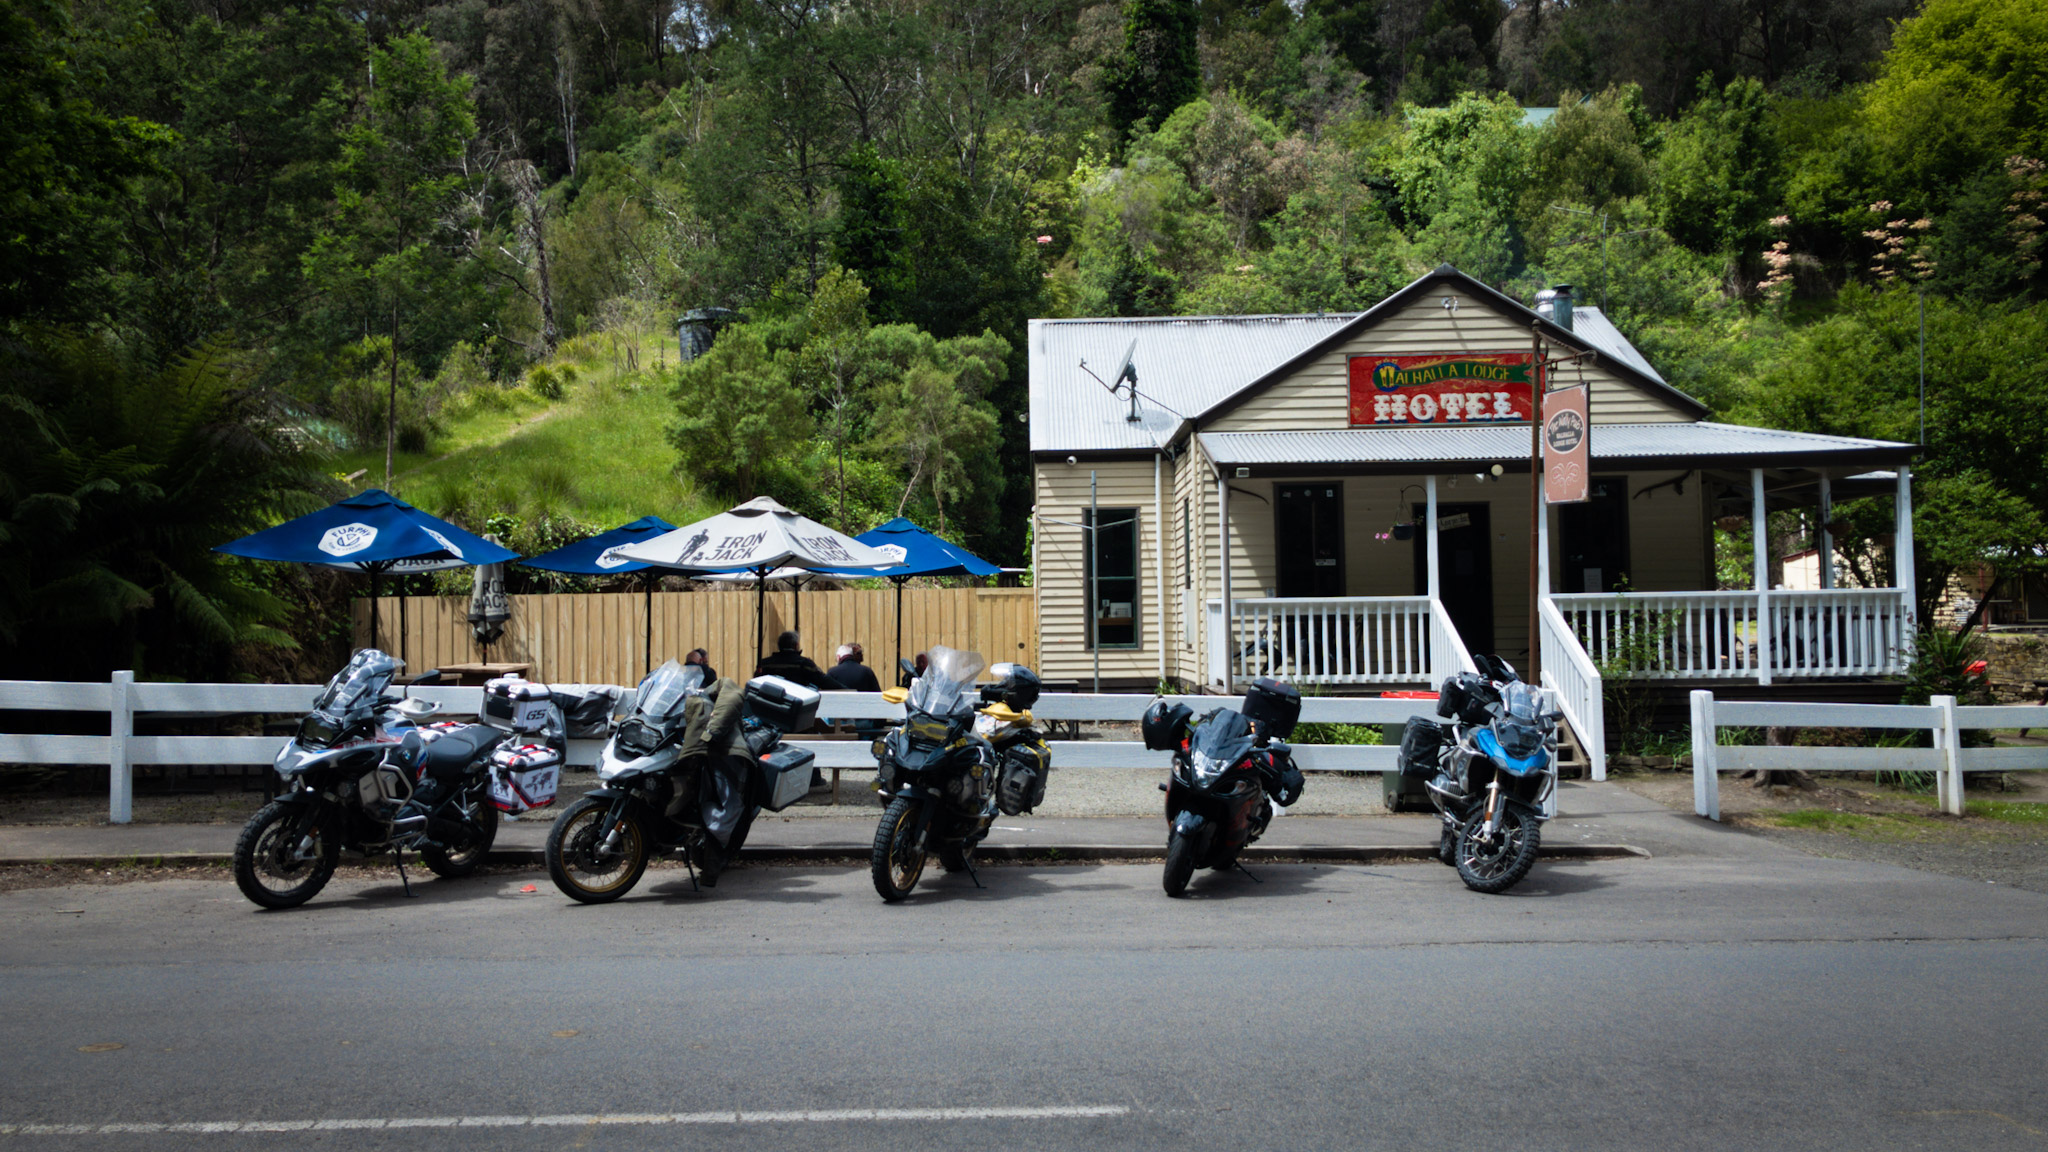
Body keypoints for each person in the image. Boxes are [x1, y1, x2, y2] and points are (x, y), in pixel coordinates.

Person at [754, 631, 836, 692]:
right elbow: (823, 681)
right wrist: (845, 689)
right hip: (796, 707)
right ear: (796, 645)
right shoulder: (804, 664)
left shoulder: (764, 664)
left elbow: (755, 683)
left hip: (768, 707)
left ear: (779, 645)